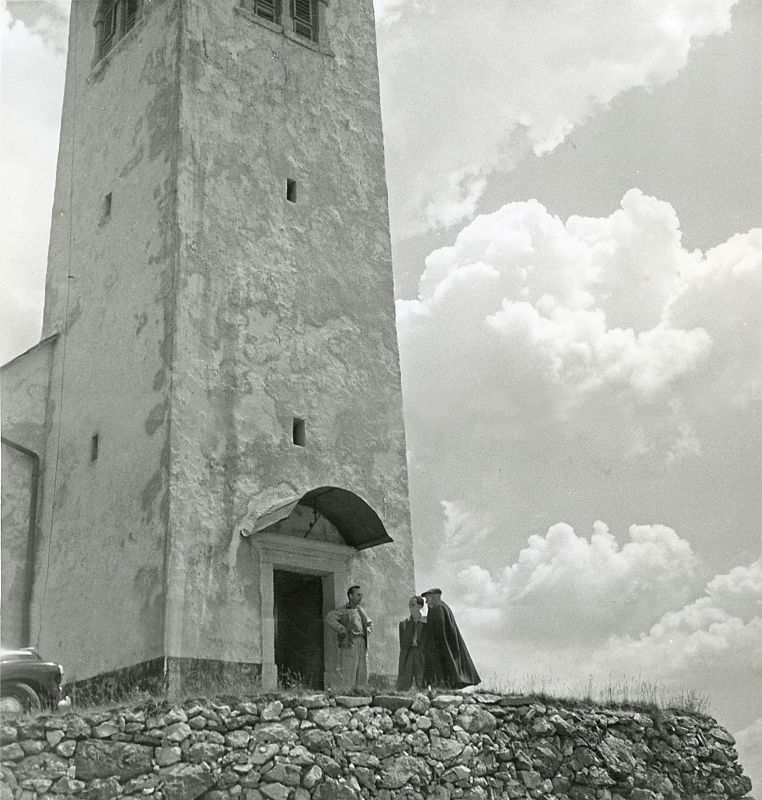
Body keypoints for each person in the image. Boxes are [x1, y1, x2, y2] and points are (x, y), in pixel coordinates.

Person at [421, 588, 480, 689]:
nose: (426, 602)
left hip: (439, 647)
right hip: (447, 645)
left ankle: (441, 687)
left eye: (428, 599)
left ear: (433, 597)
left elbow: (436, 630)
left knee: (441, 670)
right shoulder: (444, 607)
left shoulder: (437, 609)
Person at [325, 585, 373, 690]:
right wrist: (342, 630)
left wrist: (367, 631)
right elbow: (329, 618)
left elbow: (370, 624)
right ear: (351, 596)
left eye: (361, 595)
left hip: (362, 642)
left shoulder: (360, 611)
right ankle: (348, 692)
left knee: (362, 669)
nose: (360, 597)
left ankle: (361, 692)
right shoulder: (343, 610)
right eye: (358, 595)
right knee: (349, 668)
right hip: (350, 642)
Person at [396, 595, 427, 690]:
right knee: (405, 679)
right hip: (409, 653)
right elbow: (403, 645)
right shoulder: (404, 624)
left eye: (413, 605)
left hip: (422, 654)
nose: (410, 607)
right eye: (409, 605)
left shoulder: (426, 622)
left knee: (422, 680)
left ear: (420, 606)